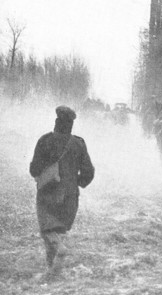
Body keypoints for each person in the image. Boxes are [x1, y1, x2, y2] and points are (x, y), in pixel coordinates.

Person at [29, 106, 95, 281]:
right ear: (71, 124)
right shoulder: (79, 144)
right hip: (70, 198)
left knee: (48, 232)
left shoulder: (45, 140)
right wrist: (76, 183)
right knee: (57, 231)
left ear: (56, 122)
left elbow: (34, 169)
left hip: (48, 194)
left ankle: (58, 255)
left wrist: (44, 174)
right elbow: (88, 172)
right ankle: (53, 273)